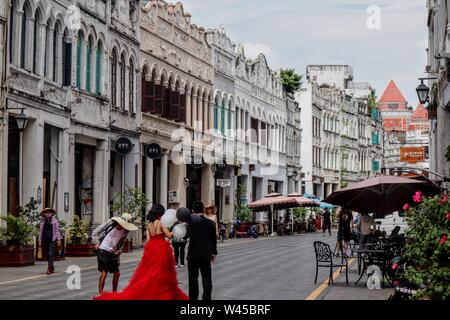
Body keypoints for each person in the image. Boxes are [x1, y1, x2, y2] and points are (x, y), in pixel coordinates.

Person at [94, 204, 188, 300]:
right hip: (161, 249)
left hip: (151, 249)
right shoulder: (161, 223)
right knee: (161, 273)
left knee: (149, 273)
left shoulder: (149, 224)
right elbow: (168, 235)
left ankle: (150, 292)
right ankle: (158, 292)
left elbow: (148, 240)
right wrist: (175, 230)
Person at [177, 202, 217, 301]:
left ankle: (193, 298)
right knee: (206, 278)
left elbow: (184, 236)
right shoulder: (211, 223)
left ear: (193, 210)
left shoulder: (190, 223)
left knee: (193, 279)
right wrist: (213, 253)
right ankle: (207, 298)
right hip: (205, 254)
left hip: (193, 254)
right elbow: (213, 240)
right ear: (203, 210)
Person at [92, 213, 137, 295]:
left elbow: (122, 243)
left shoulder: (125, 231)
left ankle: (114, 293)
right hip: (103, 250)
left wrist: (119, 250)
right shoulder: (110, 223)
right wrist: (96, 242)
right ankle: (101, 294)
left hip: (112, 252)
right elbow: (95, 232)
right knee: (104, 272)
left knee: (117, 273)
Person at [38, 208, 61, 275]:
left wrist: (58, 239)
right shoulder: (42, 221)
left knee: (50, 253)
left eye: (49, 212)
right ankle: (51, 265)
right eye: (46, 212)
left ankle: (49, 268)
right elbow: (41, 231)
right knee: (47, 254)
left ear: (51, 213)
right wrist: (39, 240)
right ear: (44, 214)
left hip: (52, 239)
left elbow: (57, 231)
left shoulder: (54, 221)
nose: (48, 214)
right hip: (45, 239)